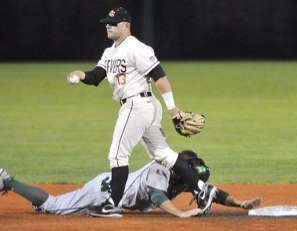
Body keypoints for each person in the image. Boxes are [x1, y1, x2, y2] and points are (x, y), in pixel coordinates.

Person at [66, 7, 214, 217]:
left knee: (118, 155)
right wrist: (80, 75)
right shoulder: (110, 52)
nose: (108, 25)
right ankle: (201, 188)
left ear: (126, 25)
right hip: (140, 106)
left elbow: (160, 77)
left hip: (138, 106)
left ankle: (111, 205)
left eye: (114, 23)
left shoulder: (136, 47)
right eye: (107, 23)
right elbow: (96, 76)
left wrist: (173, 111)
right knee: (163, 154)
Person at [0, 151, 261, 218]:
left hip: (112, 188)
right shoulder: (160, 170)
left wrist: (239, 203)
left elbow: (211, 192)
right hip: (103, 192)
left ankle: (38, 201)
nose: (195, 182)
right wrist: (181, 213)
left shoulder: (180, 176)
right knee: (53, 205)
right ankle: (7, 180)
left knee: (61, 206)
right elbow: (158, 197)